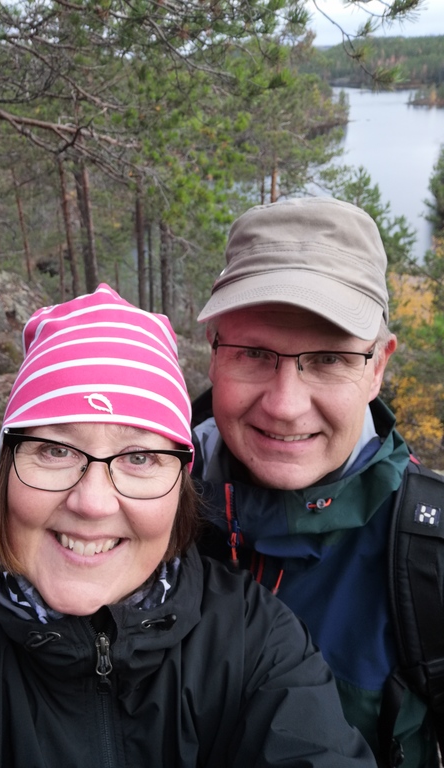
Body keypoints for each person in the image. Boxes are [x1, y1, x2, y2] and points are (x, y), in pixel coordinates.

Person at [0, 283, 375, 768]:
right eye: (54, 449)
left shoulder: (255, 642)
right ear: (5, 471)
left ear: (181, 485)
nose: (92, 502)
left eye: (139, 456)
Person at [192, 197, 439, 768]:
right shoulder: (140, 503)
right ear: (213, 353)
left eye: (328, 359)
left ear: (377, 366)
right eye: (254, 353)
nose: (284, 406)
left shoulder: (427, 557)